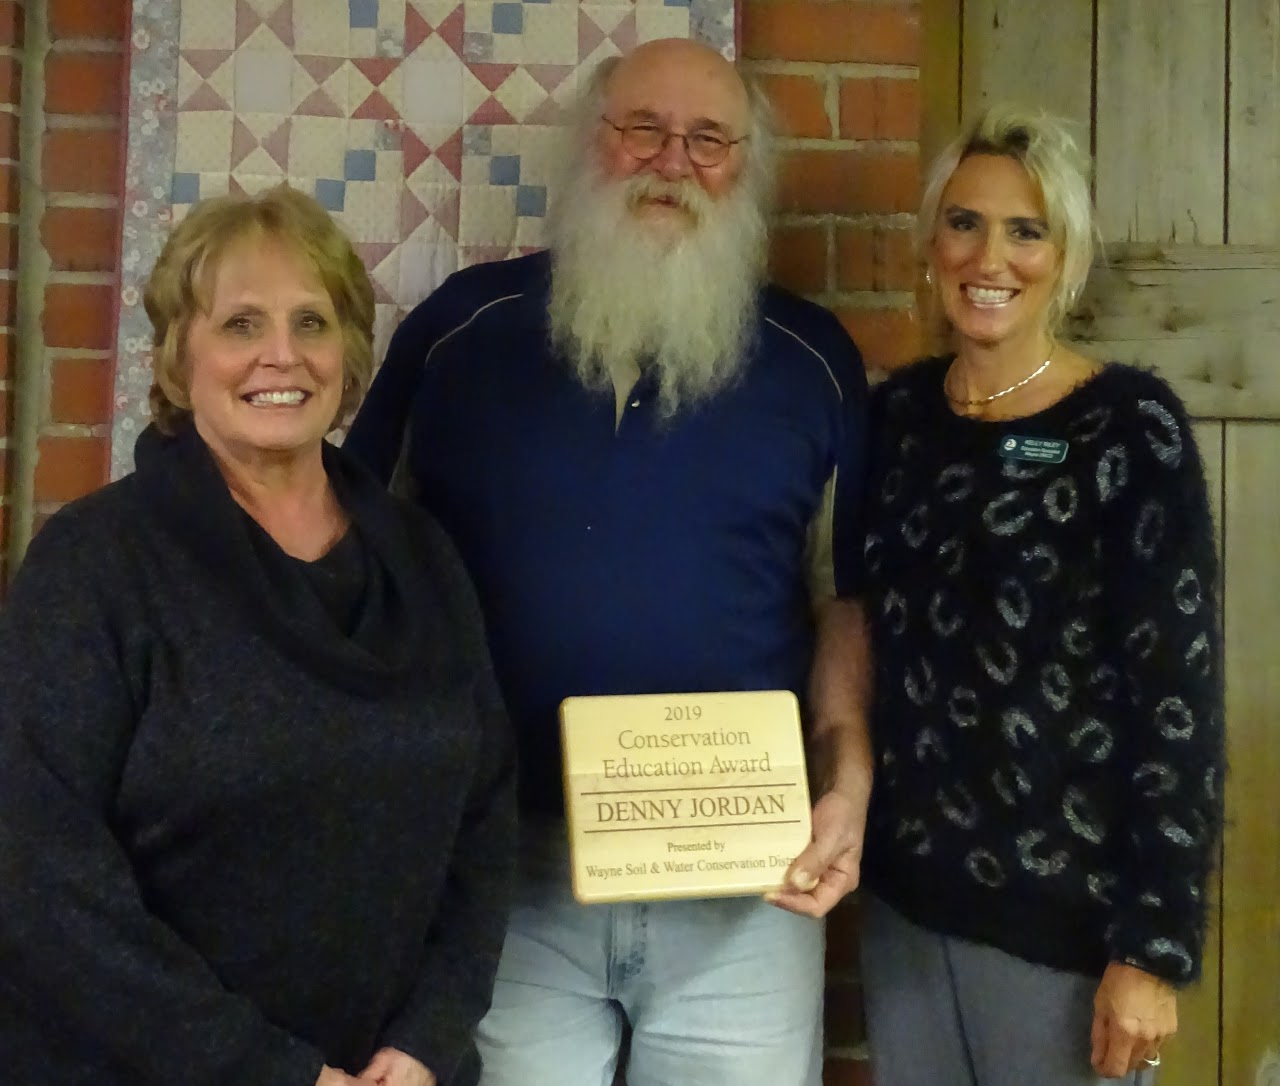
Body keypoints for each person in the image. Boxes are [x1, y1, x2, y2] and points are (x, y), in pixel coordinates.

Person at [345, 37, 873, 1086]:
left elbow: (839, 602)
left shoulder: (814, 361)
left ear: (745, 169)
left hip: (744, 888)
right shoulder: (462, 331)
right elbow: (353, 556)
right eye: (641, 128)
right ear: (588, 145)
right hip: (507, 873)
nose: (671, 161)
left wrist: (847, 775)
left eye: (708, 139)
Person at [0, 185, 514, 1086]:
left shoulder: (421, 557)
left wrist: (428, 1039)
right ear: (177, 357)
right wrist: (269, 1071)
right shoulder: (95, 564)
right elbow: (39, 875)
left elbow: (485, 818)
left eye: (312, 322)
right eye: (240, 324)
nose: (283, 355)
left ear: (349, 355)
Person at [854, 106, 1225, 1086]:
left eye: (1026, 230)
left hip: (1066, 936)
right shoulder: (891, 419)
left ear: (1062, 257)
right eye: (964, 222)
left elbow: (1175, 703)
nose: (991, 255)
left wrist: (1153, 947)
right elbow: (851, 624)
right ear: (931, 243)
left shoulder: (1126, 429)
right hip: (904, 918)